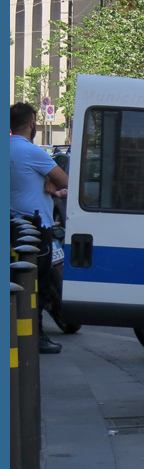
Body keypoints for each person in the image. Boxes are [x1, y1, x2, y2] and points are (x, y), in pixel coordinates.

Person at [10, 103, 68, 354]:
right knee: (38, 284)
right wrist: (50, 182)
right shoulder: (32, 151)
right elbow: (65, 181)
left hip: (11, 224)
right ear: (33, 123)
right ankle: (35, 336)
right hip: (34, 227)